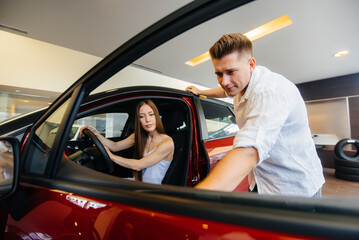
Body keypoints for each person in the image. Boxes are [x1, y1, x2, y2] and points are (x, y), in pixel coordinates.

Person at [186, 33, 324, 197]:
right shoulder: (240, 84)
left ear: (251, 64)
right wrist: (201, 92)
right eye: (219, 74)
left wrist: (193, 200)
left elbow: (249, 151)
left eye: (231, 71)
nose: (224, 81)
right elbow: (224, 91)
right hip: (262, 181)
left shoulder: (270, 91)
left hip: (295, 188)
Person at [80, 99, 174, 185]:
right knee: (102, 184)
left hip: (150, 191)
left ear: (156, 116)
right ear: (139, 120)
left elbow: (138, 165)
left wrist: (111, 156)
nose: (147, 120)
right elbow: (114, 146)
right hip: (137, 183)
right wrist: (94, 133)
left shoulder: (167, 143)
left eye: (151, 114)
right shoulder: (139, 136)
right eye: (142, 116)